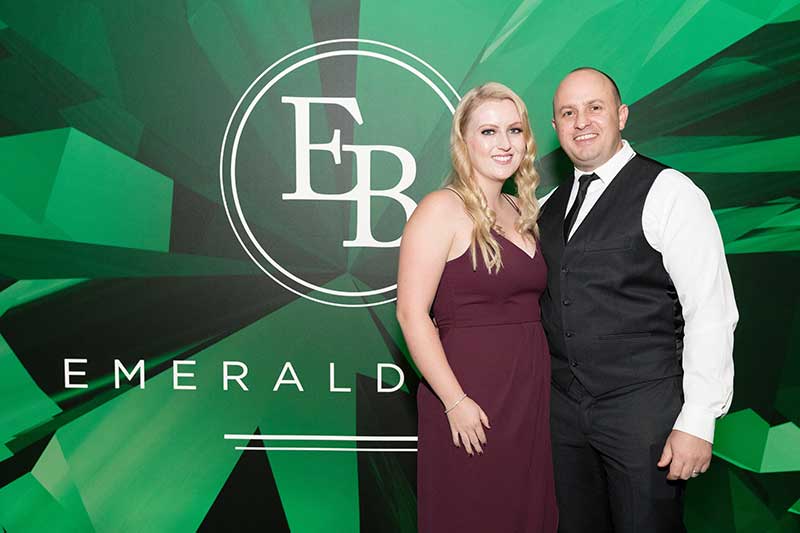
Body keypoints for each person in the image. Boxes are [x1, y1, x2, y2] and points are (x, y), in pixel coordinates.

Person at [538, 67, 738, 532]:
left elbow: (710, 309)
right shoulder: (548, 204)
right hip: (563, 416)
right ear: (555, 127)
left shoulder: (670, 192)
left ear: (622, 115)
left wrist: (698, 419)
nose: (581, 122)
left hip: (643, 411)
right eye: (568, 112)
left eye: (595, 108)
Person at [396, 82, 558, 532]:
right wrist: (455, 401)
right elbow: (411, 314)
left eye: (514, 130)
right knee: (472, 512)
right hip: (470, 395)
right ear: (464, 141)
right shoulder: (439, 209)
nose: (504, 143)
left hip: (530, 396)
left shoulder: (522, 209)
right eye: (488, 132)